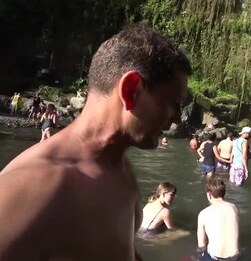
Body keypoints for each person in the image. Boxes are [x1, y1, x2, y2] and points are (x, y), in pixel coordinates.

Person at [0, 24, 191, 261]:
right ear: (132, 90)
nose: (177, 118)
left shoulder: (121, 166)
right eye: (174, 102)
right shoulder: (33, 187)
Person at [197, 179, 239, 261]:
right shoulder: (234, 207)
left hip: (215, 257)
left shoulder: (203, 214)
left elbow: (201, 244)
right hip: (235, 257)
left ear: (209, 194)